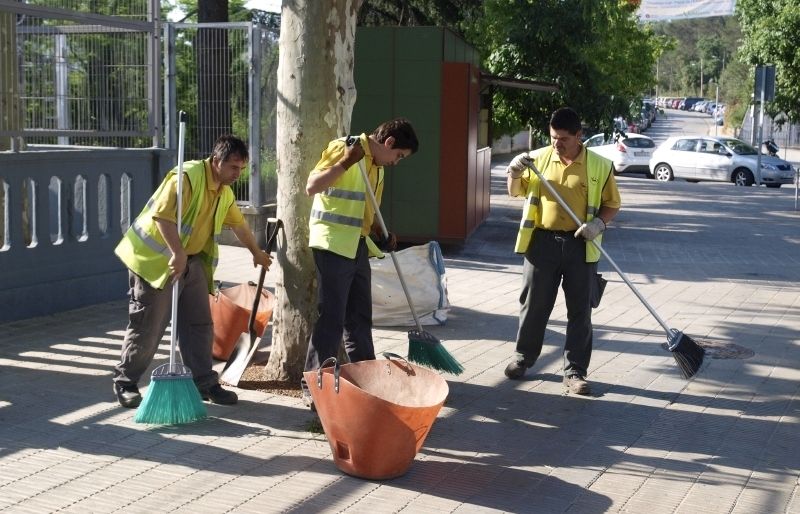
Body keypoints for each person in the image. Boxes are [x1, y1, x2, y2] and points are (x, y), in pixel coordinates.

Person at [112, 135, 272, 408]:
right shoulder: (186, 178)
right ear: (216, 161)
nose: (238, 174)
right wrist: (177, 253)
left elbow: (239, 224)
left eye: (242, 169)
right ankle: (125, 382)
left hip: (191, 260)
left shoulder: (224, 191)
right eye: (234, 167)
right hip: (154, 260)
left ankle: (204, 383)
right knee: (148, 325)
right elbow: (162, 217)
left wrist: (256, 252)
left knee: (199, 325)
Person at [301, 118, 419, 408]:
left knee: (359, 319)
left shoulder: (377, 168)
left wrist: (380, 231)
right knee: (332, 317)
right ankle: (314, 386)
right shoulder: (345, 147)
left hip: (357, 246)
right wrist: (345, 162)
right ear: (389, 143)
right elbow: (311, 186)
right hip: (332, 245)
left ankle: (368, 381)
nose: (396, 162)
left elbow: (365, 209)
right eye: (399, 156)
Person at [504, 107, 621, 395]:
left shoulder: (599, 166)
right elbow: (514, 191)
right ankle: (523, 358)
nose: (557, 144)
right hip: (542, 243)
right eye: (553, 137)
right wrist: (515, 171)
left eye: (564, 139)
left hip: (581, 244)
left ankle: (575, 373)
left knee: (580, 311)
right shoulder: (538, 160)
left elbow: (612, 204)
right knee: (534, 306)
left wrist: (599, 224)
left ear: (579, 136)